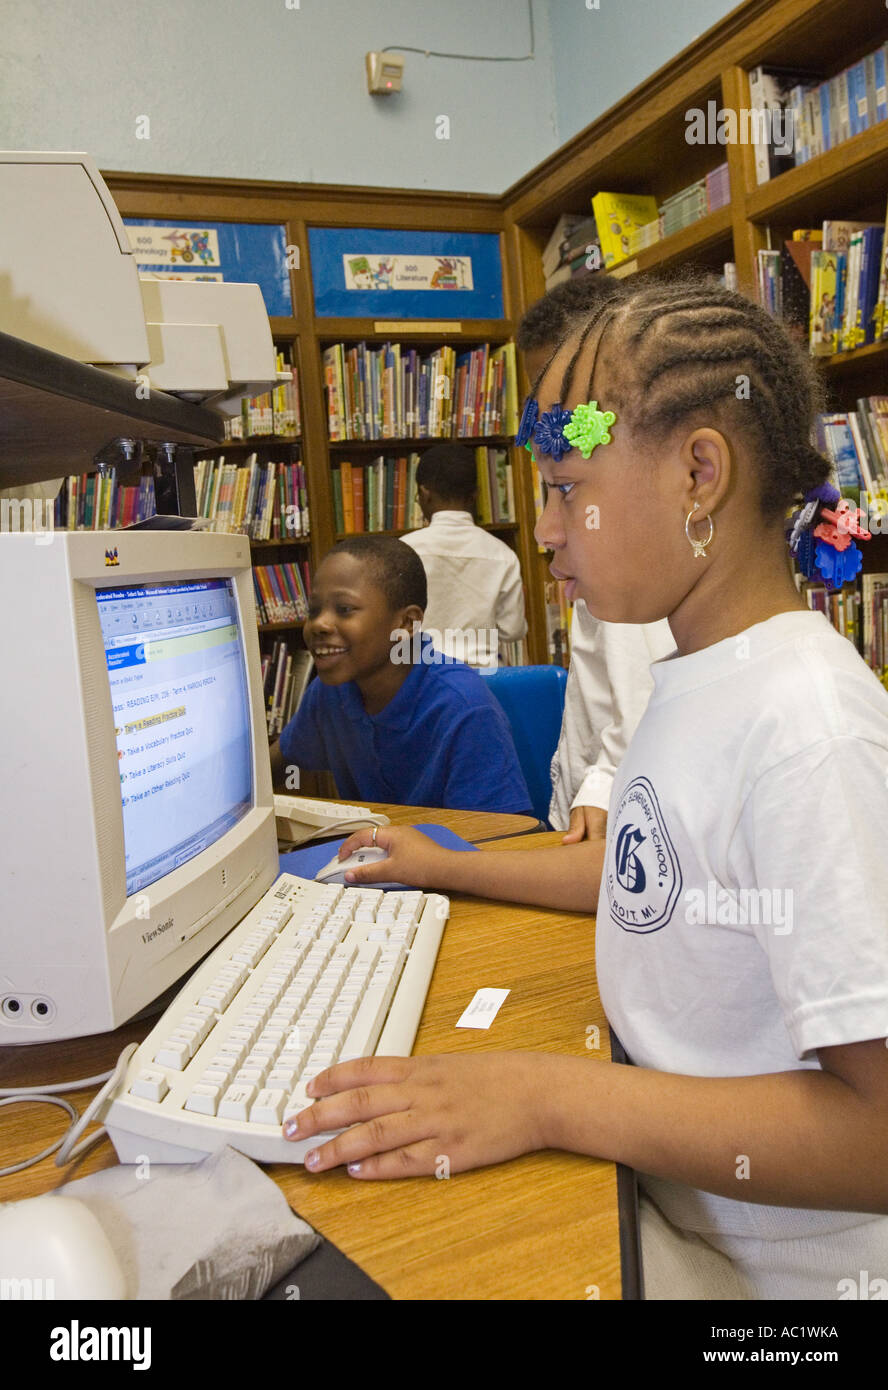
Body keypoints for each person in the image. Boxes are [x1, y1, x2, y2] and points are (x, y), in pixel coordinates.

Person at [282, 275, 888, 1301]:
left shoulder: (807, 730)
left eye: (567, 484)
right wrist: (456, 865)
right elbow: (646, 875)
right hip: (666, 1194)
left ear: (699, 473)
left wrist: (549, 1095)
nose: (547, 528)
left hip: (772, 1277)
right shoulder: (699, 674)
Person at [517, 274, 675, 843]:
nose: (546, 406)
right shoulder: (594, 504)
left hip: (608, 818)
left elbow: (641, 693)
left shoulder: (632, 547)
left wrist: (605, 781)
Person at [270, 535, 532, 815]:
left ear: (407, 622)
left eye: (344, 610)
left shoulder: (465, 708)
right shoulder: (330, 693)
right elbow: (277, 764)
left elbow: (502, 840)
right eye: (314, 610)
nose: (319, 624)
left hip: (458, 856)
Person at [401, 442, 527, 669]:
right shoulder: (503, 555)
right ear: (475, 496)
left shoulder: (403, 551)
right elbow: (513, 630)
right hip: (483, 682)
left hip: (420, 679)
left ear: (423, 494)